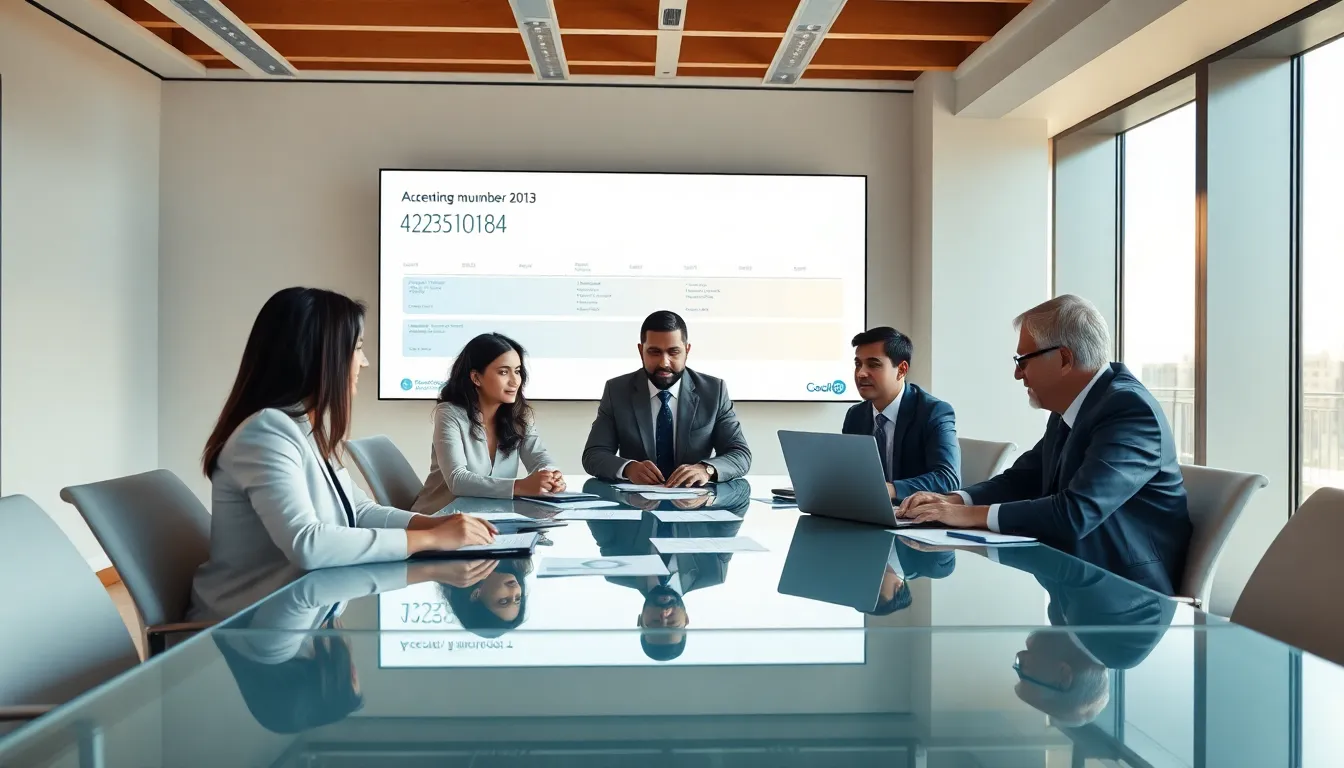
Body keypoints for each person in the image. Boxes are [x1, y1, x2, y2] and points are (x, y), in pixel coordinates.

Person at [188, 287, 497, 621]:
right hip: (240, 636)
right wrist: (430, 538)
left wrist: (433, 524)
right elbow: (308, 544)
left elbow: (359, 510)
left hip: (295, 618)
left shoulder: (305, 429)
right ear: (324, 355)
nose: (364, 362)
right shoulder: (266, 435)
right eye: (359, 348)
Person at [897, 294, 1192, 595]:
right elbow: (1023, 478)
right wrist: (954, 501)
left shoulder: (1128, 410)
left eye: (1022, 360)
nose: (1017, 373)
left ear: (1064, 359)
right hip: (1071, 583)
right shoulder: (1073, 407)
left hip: (1125, 600)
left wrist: (965, 516)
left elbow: (1076, 513)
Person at [582, 310, 752, 487]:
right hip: (637, 504)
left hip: (695, 506)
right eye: (654, 352)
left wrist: (706, 469)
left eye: (673, 352)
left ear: (687, 350)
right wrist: (628, 468)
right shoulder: (617, 391)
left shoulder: (713, 391)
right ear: (641, 351)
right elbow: (594, 455)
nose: (664, 362)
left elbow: (740, 454)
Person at [410, 333, 564, 514]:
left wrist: (551, 475)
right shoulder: (449, 413)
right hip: (439, 520)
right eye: (503, 372)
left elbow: (538, 456)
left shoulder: (519, 415)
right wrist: (520, 486)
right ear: (476, 378)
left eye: (517, 371)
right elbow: (457, 480)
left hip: (489, 521)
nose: (515, 381)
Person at [844, 326, 960, 502]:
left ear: (902, 370)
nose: (861, 373)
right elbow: (851, 474)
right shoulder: (856, 415)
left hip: (914, 518)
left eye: (873, 364)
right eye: (858, 364)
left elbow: (948, 479)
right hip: (867, 512)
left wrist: (889, 490)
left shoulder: (933, 412)